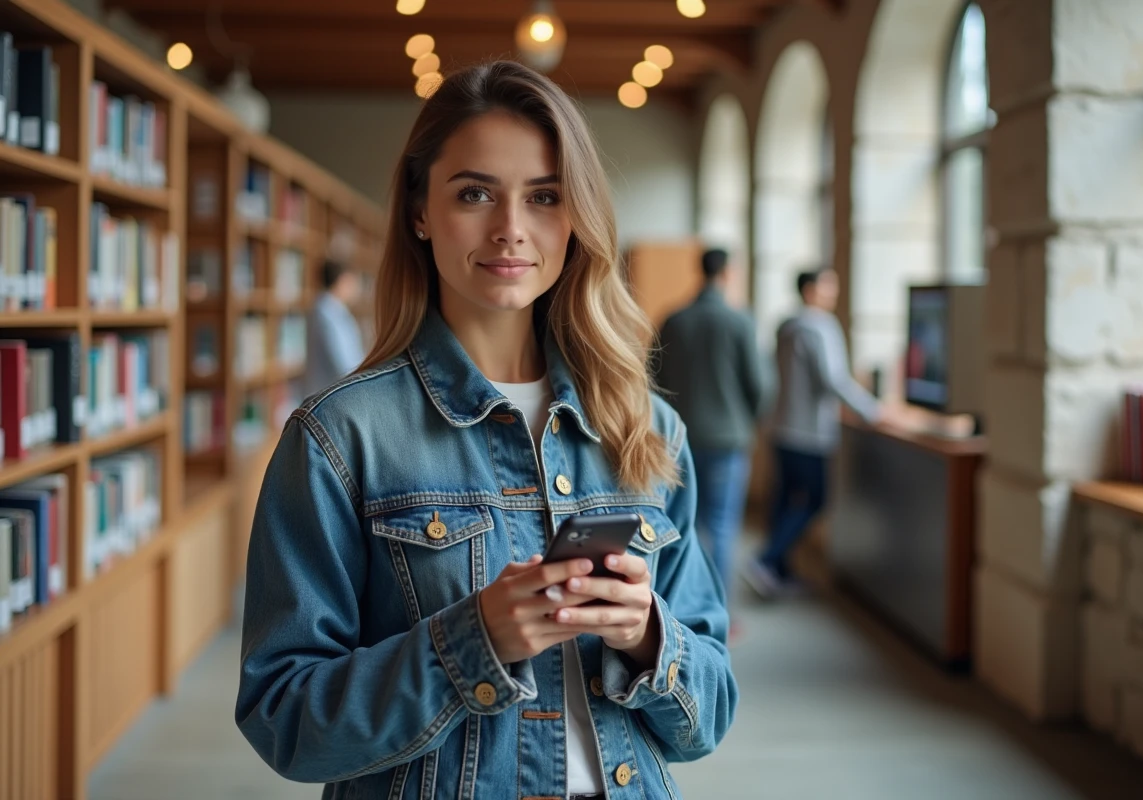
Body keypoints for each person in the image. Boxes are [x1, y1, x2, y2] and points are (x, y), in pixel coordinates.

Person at [236, 61, 736, 800]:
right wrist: (473, 643)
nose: (511, 230)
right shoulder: (340, 438)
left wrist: (647, 637)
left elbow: (710, 715)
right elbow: (285, 719)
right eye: (474, 193)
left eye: (544, 197)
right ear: (419, 210)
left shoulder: (645, 426)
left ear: (576, 218)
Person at [743, 267, 884, 600]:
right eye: (827, 285)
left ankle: (779, 570)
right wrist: (872, 410)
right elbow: (833, 380)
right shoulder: (821, 326)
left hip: (780, 426)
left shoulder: (786, 325)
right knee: (815, 498)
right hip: (809, 432)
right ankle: (765, 560)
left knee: (785, 497)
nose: (832, 291)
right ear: (809, 290)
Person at [654, 248, 765, 597]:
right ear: (729, 273)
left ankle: (682, 607)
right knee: (720, 526)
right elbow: (759, 385)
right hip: (727, 439)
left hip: (678, 439)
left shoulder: (675, 320)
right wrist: (747, 421)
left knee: (681, 524)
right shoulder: (740, 321)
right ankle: (717, 613)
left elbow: (653, 379)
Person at [304, 259, 366, 396]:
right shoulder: (326, 313)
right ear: (342, 280)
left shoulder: (334, 311)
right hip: (328, 397)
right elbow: (344, 366)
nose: (356, 287)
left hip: (333, 394)